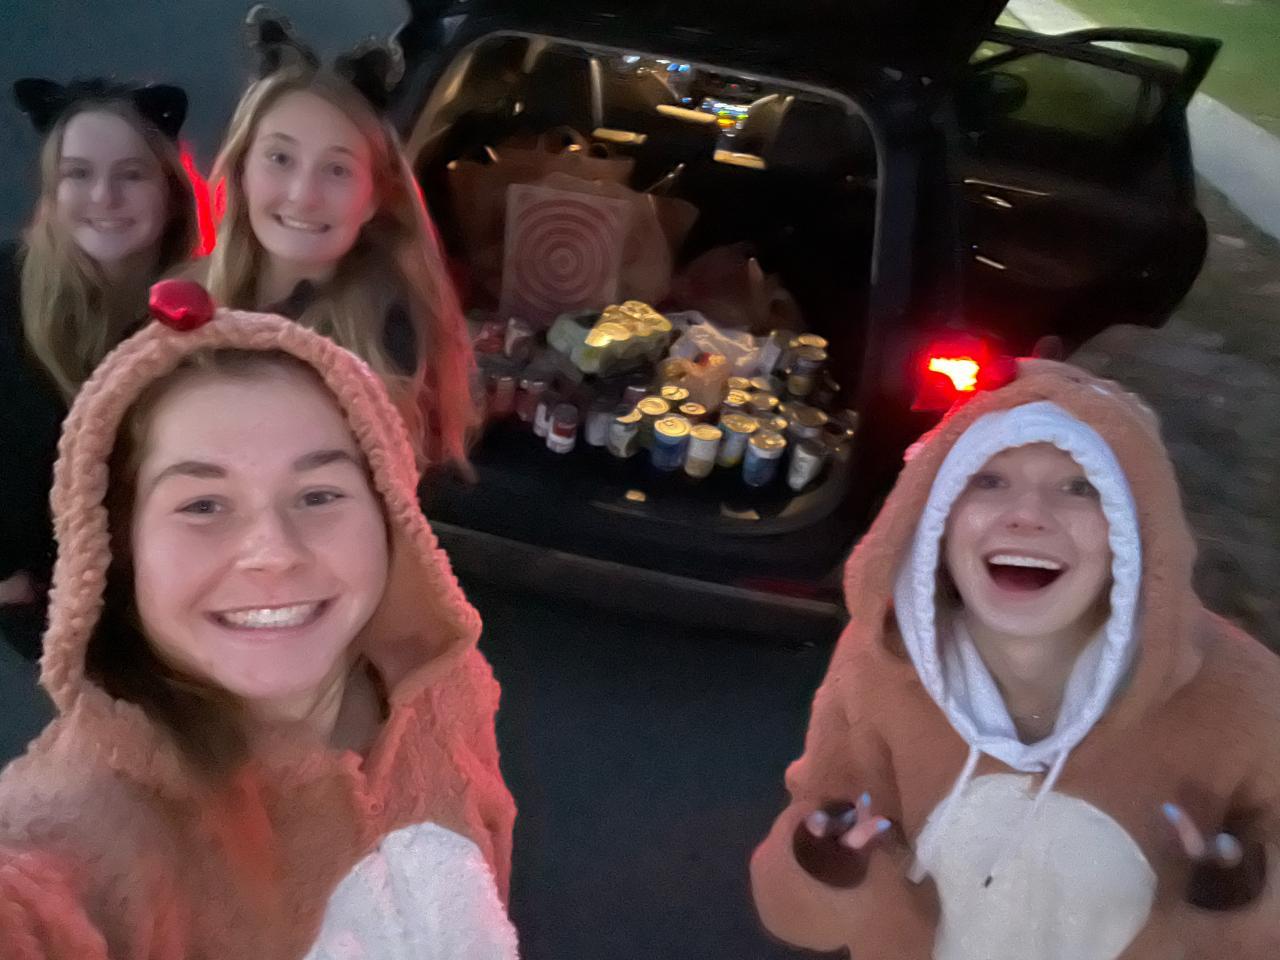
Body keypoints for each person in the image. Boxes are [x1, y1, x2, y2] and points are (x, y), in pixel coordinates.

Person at [0, 281, 517, 959]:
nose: (272, 553)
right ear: (117, 549)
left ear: (390, 516)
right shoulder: (77, 827)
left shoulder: (447, 690)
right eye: (203, 505)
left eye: (319, 494)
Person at [751, 360, 1280, 959]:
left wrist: (1237, 893)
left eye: (1079, 487)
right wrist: (824, 865)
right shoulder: (878, 668)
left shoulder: (1242, 700)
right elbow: (801, 915)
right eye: (989, 480)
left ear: (1134, 536)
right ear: (938, 519)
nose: (1027, 515)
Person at [197, 7, 476, 468]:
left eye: (337, 169)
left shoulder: (387, 345)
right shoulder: (183, 302)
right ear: (241, 169)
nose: (304, 196)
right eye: (280, 158)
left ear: (373, 198)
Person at [1, 76, 197, 659]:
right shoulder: (4, 290)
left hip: (164, 610)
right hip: (35, 608)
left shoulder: (199, 307)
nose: (104, 197)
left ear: (169, 190)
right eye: (78, 174)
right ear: (51, 190)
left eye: (131, 175)